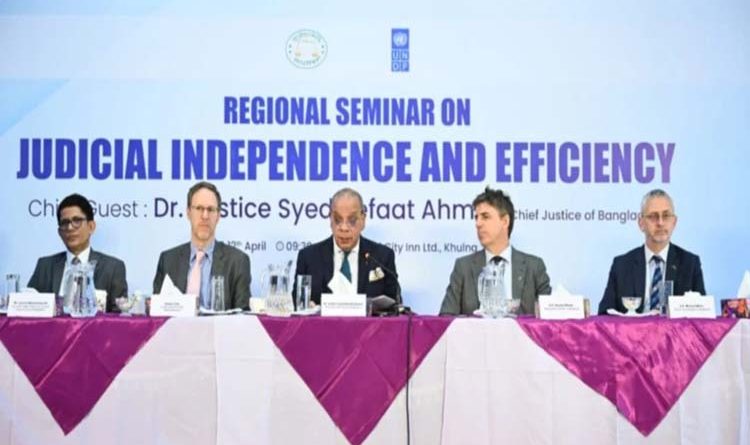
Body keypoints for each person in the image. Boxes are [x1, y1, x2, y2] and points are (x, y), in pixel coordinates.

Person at [439, 187, 551, 316]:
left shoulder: (534, 267)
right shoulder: (463, 267)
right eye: (476, 218)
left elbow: (549, 321)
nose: (478, 224)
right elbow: (446, 318)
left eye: (485, 217)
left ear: (505, 221)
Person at [598, 189, 706, 315]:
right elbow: (605, 314)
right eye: (653, 216)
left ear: (674, 222)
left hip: (674, 329)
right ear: (641, 223)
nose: (660, 223)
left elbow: (702, 316)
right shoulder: (622, 265)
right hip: (633, 328)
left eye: (666, 216)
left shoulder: (690, 263)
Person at [153, 181, 251, 310]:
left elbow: (242, 316)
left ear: (218, 216)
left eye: (210, 209)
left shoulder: (238, 262)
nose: (205, 216)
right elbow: (157, 313)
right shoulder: (168, 260)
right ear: (188, 212)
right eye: (199, 208)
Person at [294, 187, 399, 307]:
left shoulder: (382, 257)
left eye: (352, 220)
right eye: (337, 220)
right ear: (330, 219)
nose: (344, 228)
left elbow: (395, 306)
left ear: (363, 220)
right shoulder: (308, 257)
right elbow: (297, 304)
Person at [27, 193, 127, 312]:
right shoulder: (45, 266)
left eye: (77, 221)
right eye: (65, 223)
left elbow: (119, 317)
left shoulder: (113, 268)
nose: (70, 228)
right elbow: (27, 308)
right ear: (60, 232)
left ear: (91, 226)